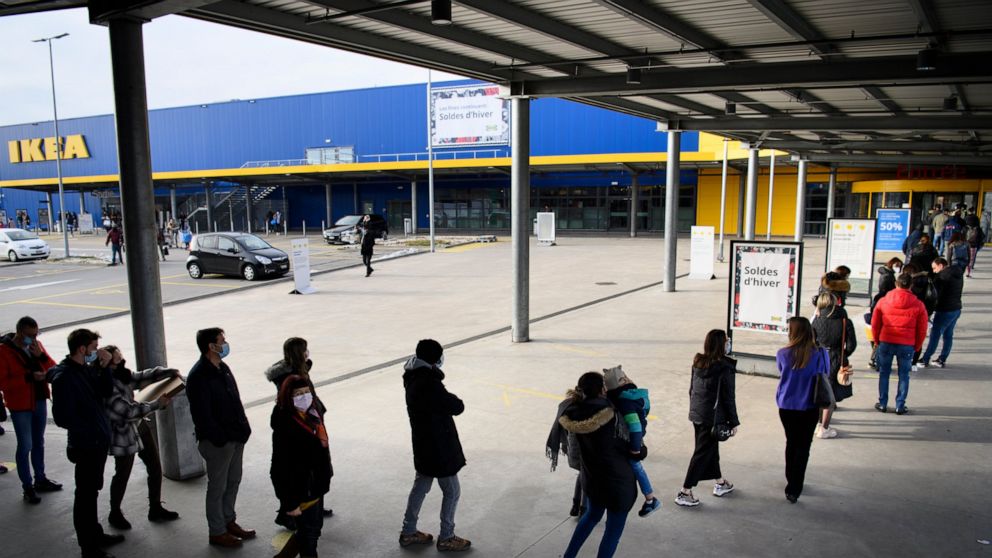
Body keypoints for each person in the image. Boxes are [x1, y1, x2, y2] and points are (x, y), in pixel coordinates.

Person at [48, 329, 125, 558]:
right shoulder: (65, 377)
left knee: (92, 493)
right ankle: (88, 547)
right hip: (85, 444)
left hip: (97, 441)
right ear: (82, 349)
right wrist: (90, 426)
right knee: (85, 497)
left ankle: (95, 534)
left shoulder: (86, 370)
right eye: (93, 348)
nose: (96, 352)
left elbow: (104, 391)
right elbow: (62, 417)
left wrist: (103, 368)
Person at [399, 339, 471, 552]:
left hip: (423, 444)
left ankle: (408, 531)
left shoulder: (412, 375)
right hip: (438, 447)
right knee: (452, 491)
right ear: (434, 359)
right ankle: (447, 536)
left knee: (421, 486)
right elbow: (455, 406)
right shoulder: (428, 383)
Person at [186, 328, 255, 548]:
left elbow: (235, 399)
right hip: (218, 443)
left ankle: (228, 520)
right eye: (222, 341)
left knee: (233, 480)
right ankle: (217, 531)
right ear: (211, 346)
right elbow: (202, 415)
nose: (225, 344)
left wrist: (244, 428)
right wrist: (221, 439)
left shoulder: (222, 368)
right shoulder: (198, 376)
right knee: (217, 486)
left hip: (235, 437)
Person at [559, 372, 636, 558]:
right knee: (612, 532)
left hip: (593, 481)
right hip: (618, 484)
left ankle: (569, 555)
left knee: (590, 517)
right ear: (602, 390)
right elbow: (632, 444)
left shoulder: (573, 411)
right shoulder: (613, 414)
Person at [102, 345, 180, 530]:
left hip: (138, 426)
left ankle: (155, 507)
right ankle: (115, 513)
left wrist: (167, 372)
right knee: (122, 473)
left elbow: (143, 376)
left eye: (122, 358)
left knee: (154, 466)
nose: (122, 362)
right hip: (122, 434)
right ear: (109, 365)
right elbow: (127, 411)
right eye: (118, 360)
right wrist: (156, 404)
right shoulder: (107, 386)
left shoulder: (122, 375)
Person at [264, 337, 333, 528]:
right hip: (304, 425)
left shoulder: (299, 370)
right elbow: (279, 468)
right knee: (298, 469)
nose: (307, 353)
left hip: (312, 421)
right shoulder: (290, 378)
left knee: (315, 466)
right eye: (305, 350)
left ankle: (314, 504)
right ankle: (290, 511)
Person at [0, 316, 62, 504]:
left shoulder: (37, 346)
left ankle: (40, 478)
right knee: (25, 445)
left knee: (38, 442)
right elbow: (2, 382)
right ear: (19, 333)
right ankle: (27, 486)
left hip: (39, 400)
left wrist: (40, 356)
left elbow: (54, 370)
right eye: (30, 335)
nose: (33, 339)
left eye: (36, 334)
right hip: (20, 406)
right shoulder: (4, 352)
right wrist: (28, 378)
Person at [270, 375, 333, 558]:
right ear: (287, 397)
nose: (304, 397)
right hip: (300, 491)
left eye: (306, 392)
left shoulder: (312, 416)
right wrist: (289, 503)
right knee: (309, 538)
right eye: (298, 394)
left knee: (311, 531)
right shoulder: (285, 425)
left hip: (315, 487)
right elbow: (278, 469)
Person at [676, 329, 739, 507]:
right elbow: (728, 398)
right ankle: (685, 491)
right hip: (712, 417)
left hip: (698, 414)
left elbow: (692, 390)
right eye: (726, 341)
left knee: (709, 449)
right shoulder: (724, 368)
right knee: (702, 453)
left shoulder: (698, 363)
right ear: (721, 345)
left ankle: (720, 482)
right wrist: (733, 422)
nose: (728, 343)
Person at [775, 317, 827, 503]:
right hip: (810, 406)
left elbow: (782, 372)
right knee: (804, 446)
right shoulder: (820, 354)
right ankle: (796, 486)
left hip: (787, 405)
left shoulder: (782, 354)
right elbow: (825, 373)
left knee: (791, 442)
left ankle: (791, 480)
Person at [603, 365, 659, 517]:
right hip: (637, 437)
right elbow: (645, 411)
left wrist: (635, 449)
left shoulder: (624, 403)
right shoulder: (635, 395)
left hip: (632, 440)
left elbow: (634, 427)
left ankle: (650, 499)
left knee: (636, 466)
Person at [872, 273, 928, 415]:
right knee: (904, 375)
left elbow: (875, 323)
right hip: (907, 344)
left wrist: (877, 340)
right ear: (911, 286)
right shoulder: (918, 304)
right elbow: (922, 328)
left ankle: (883, 403)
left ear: (896, 284)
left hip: (886, 341)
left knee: (884, 373)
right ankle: (900, 405)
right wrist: (917, 346)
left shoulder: (884, 301)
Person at [811, 293, 857, 438]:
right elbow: (851, 344)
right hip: (836, 358)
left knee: (819, 392)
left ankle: (818, 424)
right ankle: (824, 428)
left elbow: (811, 342)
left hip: (818, 358)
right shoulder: (845, 321)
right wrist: (843, 354)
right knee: (830, 396)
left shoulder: (816, 321)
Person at [545, 394, 584, 517]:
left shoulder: (568, 407)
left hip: (573, 453)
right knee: (588, 480)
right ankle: (584, 509)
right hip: (584, 454)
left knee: (582, 476)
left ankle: (576, 505)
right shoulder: (586, 412)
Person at [920, 257, 964, 368]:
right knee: (948, 335)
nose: (934, 271)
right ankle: (942, 359)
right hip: (956, 308)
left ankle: (925, 359)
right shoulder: (957, 273)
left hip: (945, 310)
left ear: (941, 265)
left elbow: (934, 295)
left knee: (935, 334)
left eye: (934, 268)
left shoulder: (942, 277)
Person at [866, 264, 899, 370]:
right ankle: (876, 360)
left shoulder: (879, 297)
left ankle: (875, 360)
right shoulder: (894, 297)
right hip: (889, 325)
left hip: (880, 325)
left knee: (878, 343)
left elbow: (873, 312)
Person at [964, 211, 984, 277]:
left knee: (965, 257)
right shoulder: (978, 229)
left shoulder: (965, 228)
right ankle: (969, 270)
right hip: (973, 245)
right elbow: (981, 237)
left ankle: (965, 269)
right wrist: (980, 244)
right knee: (972, 258)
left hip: (965, 244)